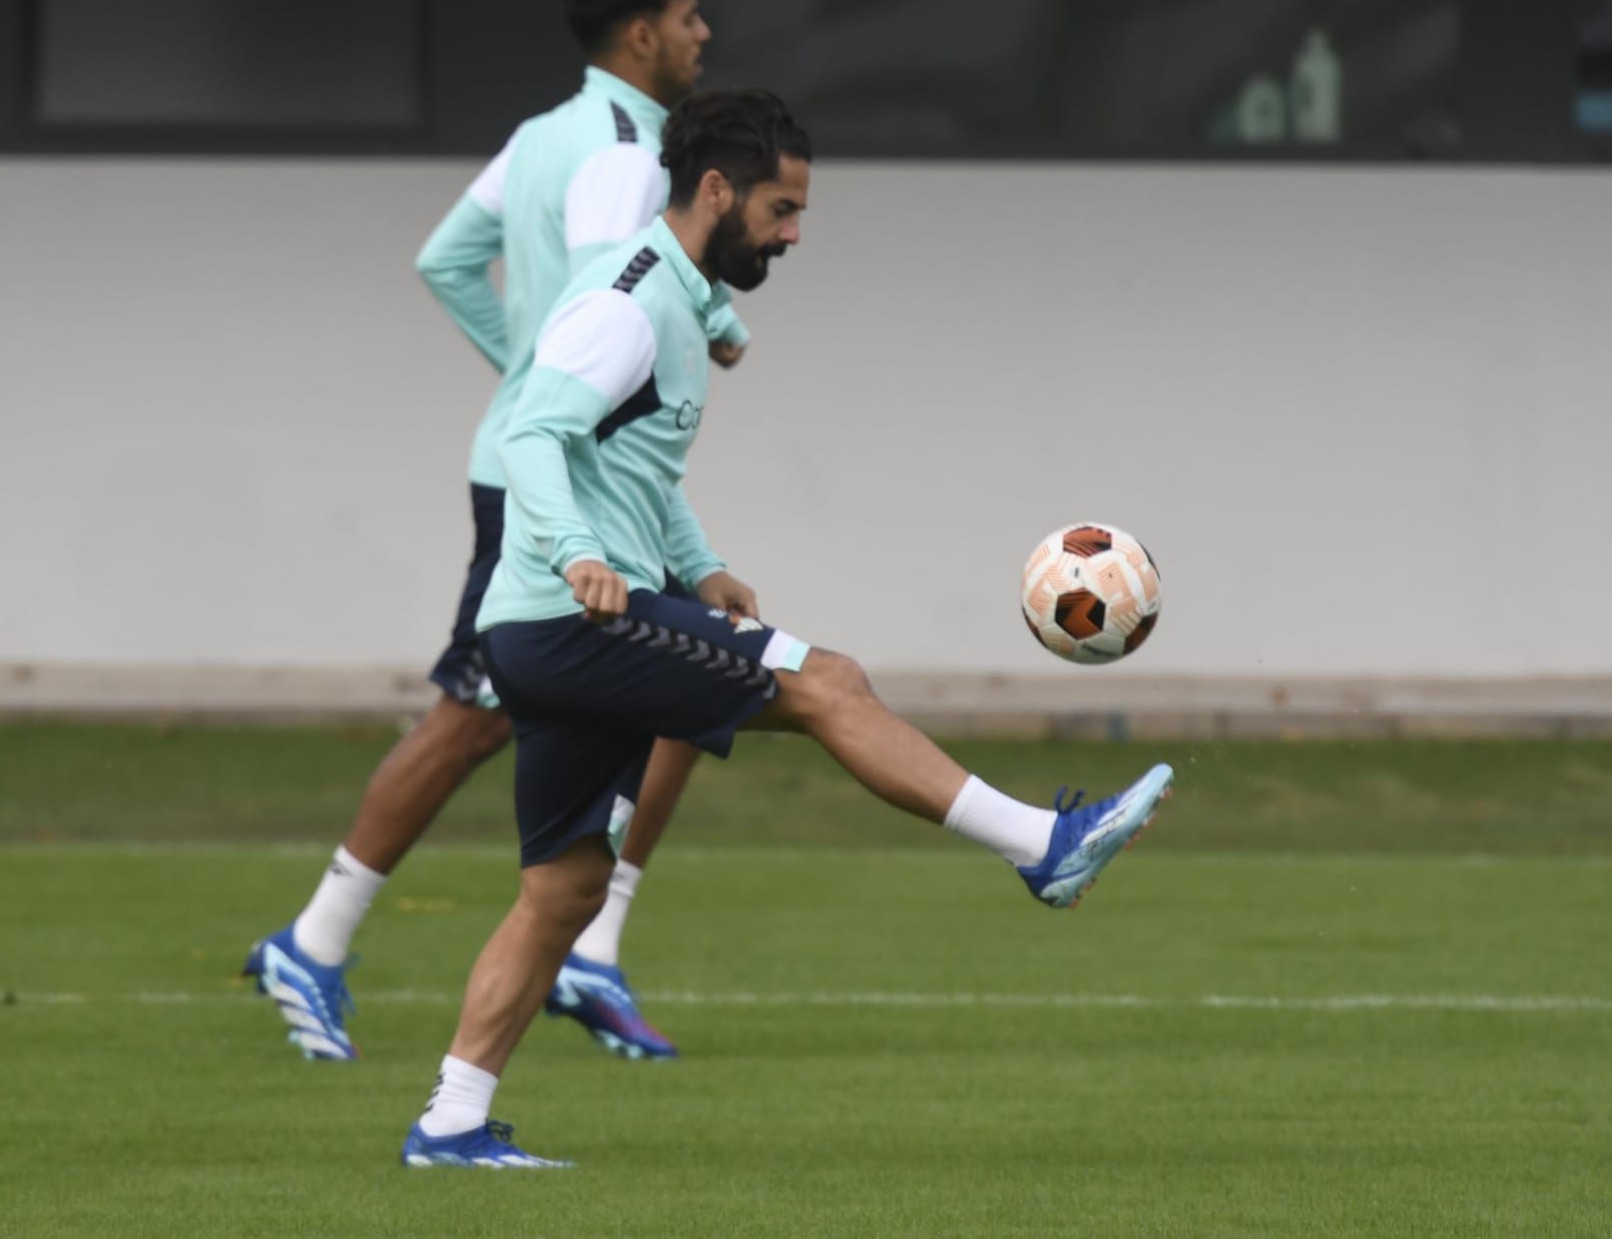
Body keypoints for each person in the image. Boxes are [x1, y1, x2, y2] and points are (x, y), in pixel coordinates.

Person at [400, 88, 1173, 1169]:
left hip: (556, 628)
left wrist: (701, 565)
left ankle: (450, 1121)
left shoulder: (674, 296)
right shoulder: (629, 299)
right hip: (573, 618)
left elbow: (639, 468)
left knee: (564, 890)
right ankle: (1041, 846)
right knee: (827, 682)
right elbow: (533, 432)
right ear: (717, 190)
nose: (794, 233)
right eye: (781, 208)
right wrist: (577, 553)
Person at [245, 0, 736, 1064]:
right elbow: (623, 288)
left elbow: (445, 260)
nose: (703, 35)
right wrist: (715, 323)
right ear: (641, 35)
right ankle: (319, 941)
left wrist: (525, 373)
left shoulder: (540, 135)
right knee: (488, 714)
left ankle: (580, 945)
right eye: (688, 17)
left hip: (545, 462)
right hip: (561, 482)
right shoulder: (627, 153)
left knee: (679, 680)